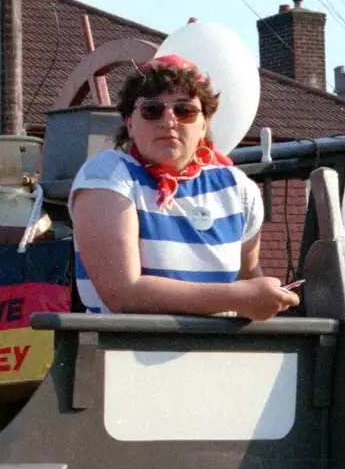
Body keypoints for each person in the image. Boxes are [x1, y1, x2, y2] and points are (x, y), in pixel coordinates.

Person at [68, 54, 297, 321]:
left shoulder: (238, 189)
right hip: (121, 357)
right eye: (152, 110)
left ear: (204, 124)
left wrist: (269, 298)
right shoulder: (108, 173)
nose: (169, 120)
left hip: (220, 358)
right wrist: (239, 297)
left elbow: (249, 283)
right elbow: (123, 294)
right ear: (129, 123)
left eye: (184, 110)